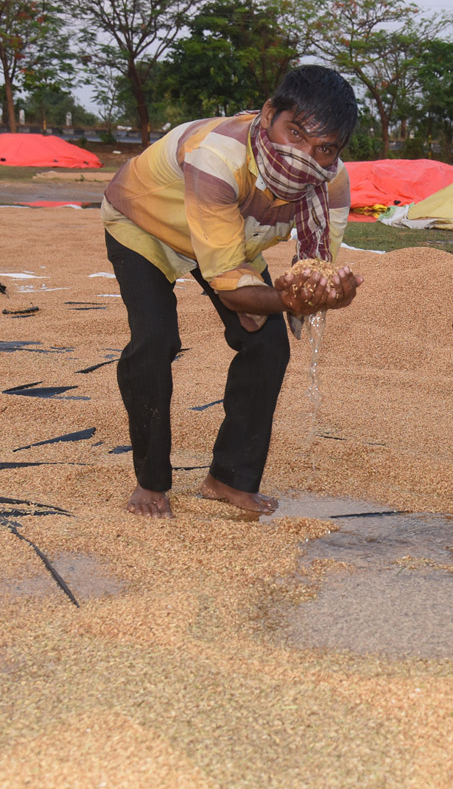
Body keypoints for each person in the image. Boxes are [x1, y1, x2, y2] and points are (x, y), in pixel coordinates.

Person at [103, 64, 362, 519]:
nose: (304, 156)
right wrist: (283, 299)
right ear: (267, 114)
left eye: (323, 148)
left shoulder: (331, 184)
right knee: (154, 340)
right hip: (144, 222)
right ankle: (151, 480)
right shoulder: (217, 156)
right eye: (295, 134)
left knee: (268, 345)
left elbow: (314, 274)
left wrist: (332, 292)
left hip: (229, 236)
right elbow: (230, 286)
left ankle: (229, 478)